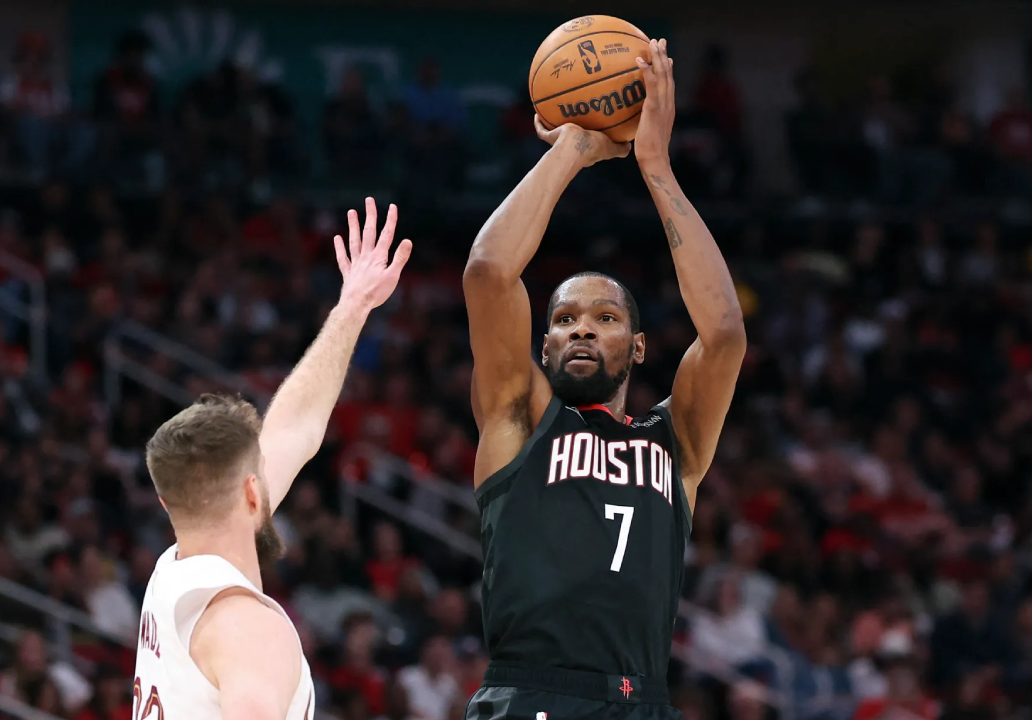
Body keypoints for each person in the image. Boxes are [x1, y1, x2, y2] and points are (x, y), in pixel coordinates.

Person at [462, 38, 745, 719]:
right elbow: (489, 273)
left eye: (605, 315)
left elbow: (726, 333)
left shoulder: (673, 441)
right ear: (546, 343)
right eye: (563, 318)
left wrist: (657, 168)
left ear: (639, 345)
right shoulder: (521, 418)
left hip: (643, 702)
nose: (582, 328)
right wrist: (572, 149)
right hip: (533, 693)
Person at [133, 198, 412, 720]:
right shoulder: (247, 629)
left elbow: (293, 429)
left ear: (165, 500)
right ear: (251, 491)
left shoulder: (170, 574)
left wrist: (352, 307)